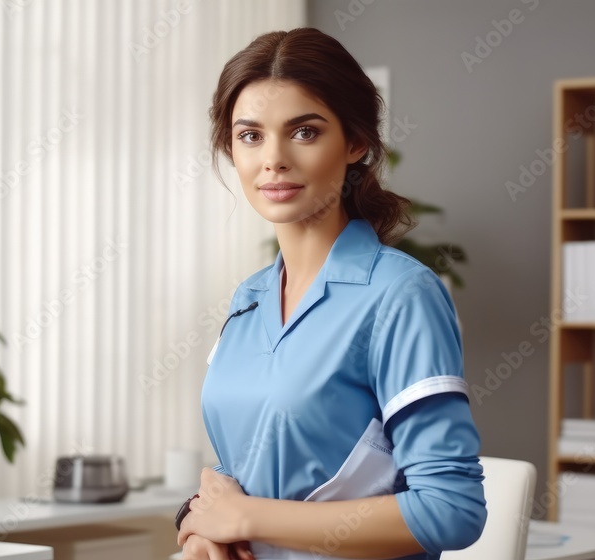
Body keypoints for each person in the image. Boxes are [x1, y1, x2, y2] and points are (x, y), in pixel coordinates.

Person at [175, 28, 486, 560]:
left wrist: (247, 517)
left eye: (303, 132)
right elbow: (236, 475)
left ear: (355, 142)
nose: (273, 159)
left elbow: (451, 509)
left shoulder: (401, 296)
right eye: (250, 135)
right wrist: (201, 527)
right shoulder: (248, 300)